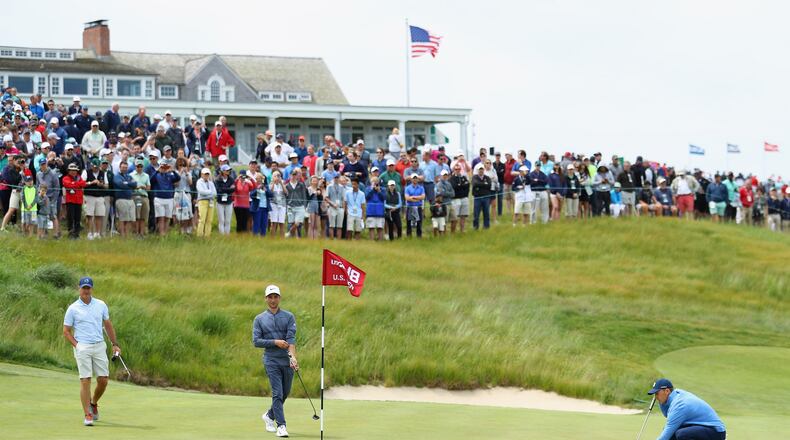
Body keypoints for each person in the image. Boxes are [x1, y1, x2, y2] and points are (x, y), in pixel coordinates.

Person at [62, 277, 122, 427]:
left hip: (99, 345)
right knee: (85, 380)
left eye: (88, 288)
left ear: (91, 289)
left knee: (103, 380)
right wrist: (77, 345)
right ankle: (87, 414)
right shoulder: (73, 308)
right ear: (79, 289)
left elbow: (107, 325)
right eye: (84, 288)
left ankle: (93, 403)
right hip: (82, 347)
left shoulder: (100, 305)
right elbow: (66, 331)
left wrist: (115, 344)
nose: (86, 291)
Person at [253, 284, 298, 439]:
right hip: (271, 360)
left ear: (279, 298)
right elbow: (256, 341)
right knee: (277, 393)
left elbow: (291, 340)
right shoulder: (259, 319)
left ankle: (268, 415)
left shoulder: (288, 316)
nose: (273, 300)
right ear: (266, 299)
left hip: (286, 361)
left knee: (285, 393)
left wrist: (293, 358)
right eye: (270, 297)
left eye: (275, 297)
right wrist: (275, 342)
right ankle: (281, 426)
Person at [648, 378, 726, 440]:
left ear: (667, 391)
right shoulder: (677, 393)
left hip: (715, 432)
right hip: (701, 427)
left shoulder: (679, 405)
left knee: (682, 434)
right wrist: (660, 401)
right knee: (674, 434)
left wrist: (660, 399)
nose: (656, 396)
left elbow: (667, 433)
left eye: (657, 393)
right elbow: (667, 414)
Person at [112, 161, 137, 238]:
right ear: (120, 167)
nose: (124, 169)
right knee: (123, 219)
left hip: (130, 199)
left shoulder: (129, 176)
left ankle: (127, 235)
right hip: (121, 199)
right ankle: (123, 235)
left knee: (130, 219)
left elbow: (135, 184)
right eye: (123, 167)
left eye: (126, 167)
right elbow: (120, 184)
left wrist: (126, 183)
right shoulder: (116, 176)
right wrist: (129, 184)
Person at [284, 169, 308, 238]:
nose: (293, 176)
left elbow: (304, 196)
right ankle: (294, 238)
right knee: (291, 223)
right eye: (292, 175)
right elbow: (286, 197)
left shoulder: (301, 184)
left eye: (295, 175)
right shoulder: (287, 186)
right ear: (290, 176)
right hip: (290, 206)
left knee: (297, 223)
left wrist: (305, 206)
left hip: (300, 206)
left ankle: (289, 234)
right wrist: (286, 206)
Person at [195, 168, 217, 237]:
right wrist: (210, 192)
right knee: (202, 219)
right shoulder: (199, 182)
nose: (206, 176)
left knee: (209, 220)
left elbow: (215, 193)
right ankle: (200, 235)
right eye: (205, 174)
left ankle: (207, 235)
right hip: (202, 201)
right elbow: (201, 192)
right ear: (202, 174)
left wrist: (208, 192)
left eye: (207, 174)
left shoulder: (211, 183)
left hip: (210, 201)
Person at [215, 164, 235, 235]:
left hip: (229, 202)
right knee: (221, 220)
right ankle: (222, 235)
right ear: (222, 171)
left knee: (228, 221)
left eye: (229, 170)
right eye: (227, 170)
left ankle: (227, 235)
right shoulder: (217, 179)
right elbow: (218, 190)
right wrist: (229, 189)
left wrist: (226, 189)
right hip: (220, 202)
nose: (229, 171)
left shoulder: (231, 179)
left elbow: (233, 189)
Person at [472, 165, 493, 230]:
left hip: (486, 197)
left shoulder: (487, 177)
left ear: (484, 170)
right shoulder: (474, 177)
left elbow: (489, 185)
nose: (481, 171)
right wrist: (484, 184)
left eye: (482, 169)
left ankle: (486, 226)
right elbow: (475, 184)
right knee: (476, 213)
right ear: (477, 170)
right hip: (477, 198)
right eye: (480, 169)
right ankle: (476, 227)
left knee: (486, 212)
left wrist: (480, 185)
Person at [365, 177, 385, 241]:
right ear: (371, 182)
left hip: (380, 211)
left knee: (380, 227)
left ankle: (381, 241)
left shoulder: (382, 189)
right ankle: (371, 241)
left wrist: (379, 191)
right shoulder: (368, 189)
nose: (375, 183)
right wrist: (372, 190)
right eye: (374, 181)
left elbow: (384, 198)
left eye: (376, 181)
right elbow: (367, 197)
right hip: (371, 211)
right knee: (371, 227)